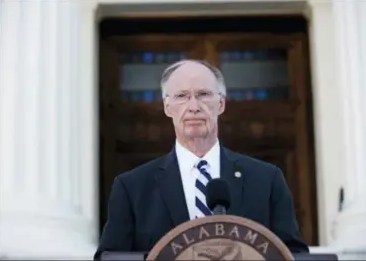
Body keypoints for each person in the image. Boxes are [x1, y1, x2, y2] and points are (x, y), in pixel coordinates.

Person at [94, 60, 309, 259]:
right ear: (167, 107)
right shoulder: (132, 187)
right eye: (181, 96)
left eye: (204, 94)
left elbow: (292, 254)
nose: (194, 106)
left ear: (221, 104)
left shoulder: (266, 180)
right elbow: (112, 257)